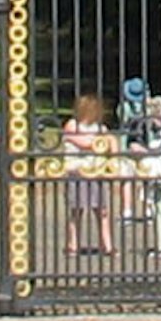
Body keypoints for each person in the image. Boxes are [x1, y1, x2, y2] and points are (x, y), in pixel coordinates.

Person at [63, 91, 121, 253]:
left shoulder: (100, 127)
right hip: (77, 171)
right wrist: (101, 142)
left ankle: (107, 244)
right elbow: (84, 143)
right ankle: (72, 244)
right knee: (76, 210)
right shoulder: (72, 126)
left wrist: (114, 159)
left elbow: (112, 141)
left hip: (97, 172)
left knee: (102, 210)